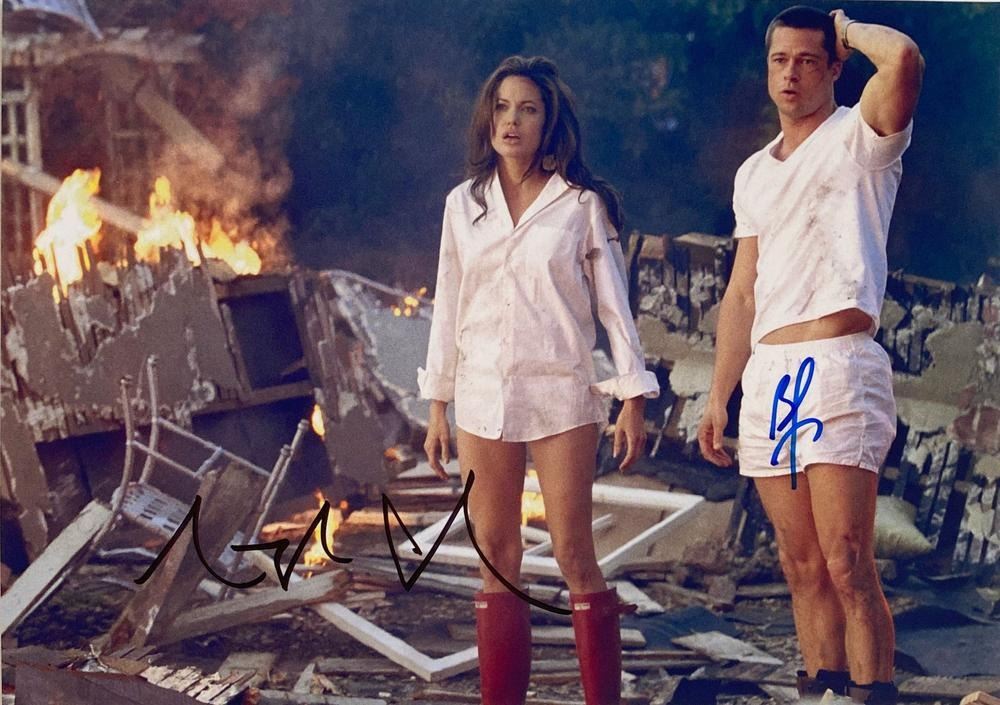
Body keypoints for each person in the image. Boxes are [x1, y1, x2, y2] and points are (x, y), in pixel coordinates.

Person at [698, 6, 923, 704]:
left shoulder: (860, 136)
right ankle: (821, 692)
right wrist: (719, 392)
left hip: (839, 364)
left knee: (847, 559)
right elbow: (742, 291)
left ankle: (872, 693)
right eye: (779, 60)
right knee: (800, 565)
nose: (791, 73)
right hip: (770, 374)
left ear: (833, 67)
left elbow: (904, 59)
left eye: (807, 59)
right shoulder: (753, 173)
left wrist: (844, 27)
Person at [418, 55, 659, 705]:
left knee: (573, 551)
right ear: (487, 118)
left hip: (562, 394)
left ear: (548, 121)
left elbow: (614, 307)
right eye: (501, 108)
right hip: (481, 394)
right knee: (496, 555)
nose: (512, 121)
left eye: (527, 109)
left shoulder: (580, 206)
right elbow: (449, 302)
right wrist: (437, 404)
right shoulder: (463, 205)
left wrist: (632, 396)